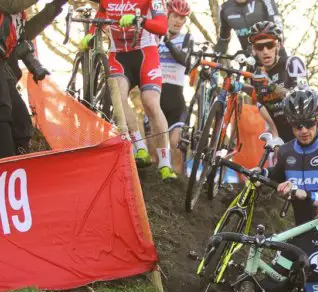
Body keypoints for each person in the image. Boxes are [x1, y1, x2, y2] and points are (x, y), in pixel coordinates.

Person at [80, 0, 177, 181]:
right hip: (118, 56)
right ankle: (140, 147)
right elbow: (101, 14)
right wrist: (92, 33)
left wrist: (139, 20)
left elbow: (162, 27)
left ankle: (165, 163)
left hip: (145, 54)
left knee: (150, 102)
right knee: (117, 97)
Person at [267, 86, 318, 225]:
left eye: (309, 123)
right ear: (289, 121)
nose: (304, 130)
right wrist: (260, 171)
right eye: (297, 125)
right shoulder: (285, 151)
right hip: (295, 227)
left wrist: (306, 195)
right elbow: (276, 176)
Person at [0, 0, 66, 157]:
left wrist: (56, 6)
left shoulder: (17, 15)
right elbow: (11, 5)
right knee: (3, 109)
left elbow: (24, 36)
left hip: (4, 68)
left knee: (21, 118)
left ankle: (19, 161)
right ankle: (5, 163)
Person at [145, 0, 192, 174]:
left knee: (175, 146)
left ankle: (178, 190)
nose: (179, 21)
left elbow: (185, 61)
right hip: (154, 98)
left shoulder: (186, 38)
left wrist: (168, 42)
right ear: (167, 15)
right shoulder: (152, 36)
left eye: (182, 18)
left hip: (175, 101)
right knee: (154, 155)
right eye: (175, 16)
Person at [245, 20, 307, 142]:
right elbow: (259, 99)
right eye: (259, 47)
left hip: (305, 135)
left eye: (270, 45)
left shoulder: (292, 63)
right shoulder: (257, 74)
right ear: (254, 50)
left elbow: (302, 100)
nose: (265, 51)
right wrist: (237, 86)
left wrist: (271, 86)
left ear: (278, 45)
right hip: (281, 140)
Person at [214, 0, 283, 55]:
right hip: (249, 58)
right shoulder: (225, 8)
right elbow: (224, 39)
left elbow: (277, 30)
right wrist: (214, 56)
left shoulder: (266, 1)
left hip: (274, 54)